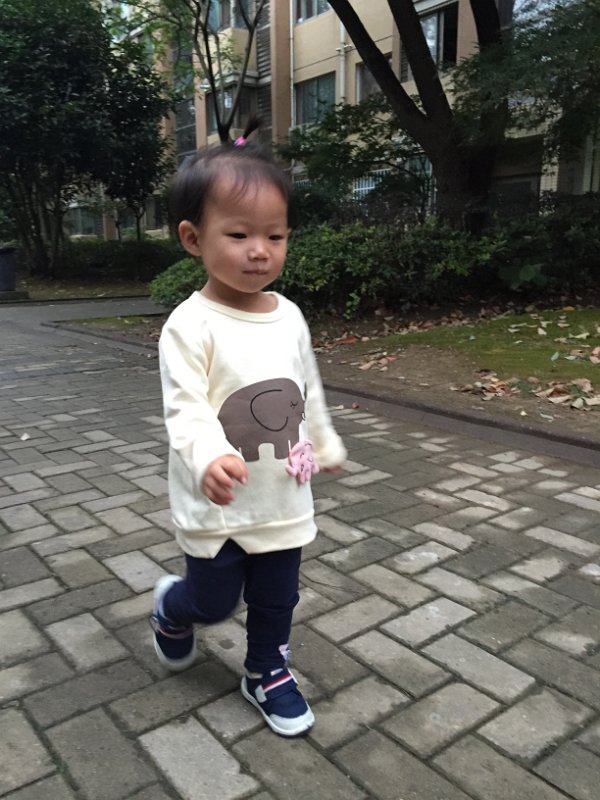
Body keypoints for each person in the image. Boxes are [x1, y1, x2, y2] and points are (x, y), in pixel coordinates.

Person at [151, 119, 347, 738]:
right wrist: (209, 456)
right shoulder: (189, 326)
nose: (259, 250)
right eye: (238, 234)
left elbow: (305, 384)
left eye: (275, 235)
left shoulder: (289, 316)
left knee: (277, 596)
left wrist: (323, 440)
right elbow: (185, 407)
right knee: (214, 602)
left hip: (282, 494)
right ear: (193, 238)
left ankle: (266, 670)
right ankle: (172, 606)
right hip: (219, 498)